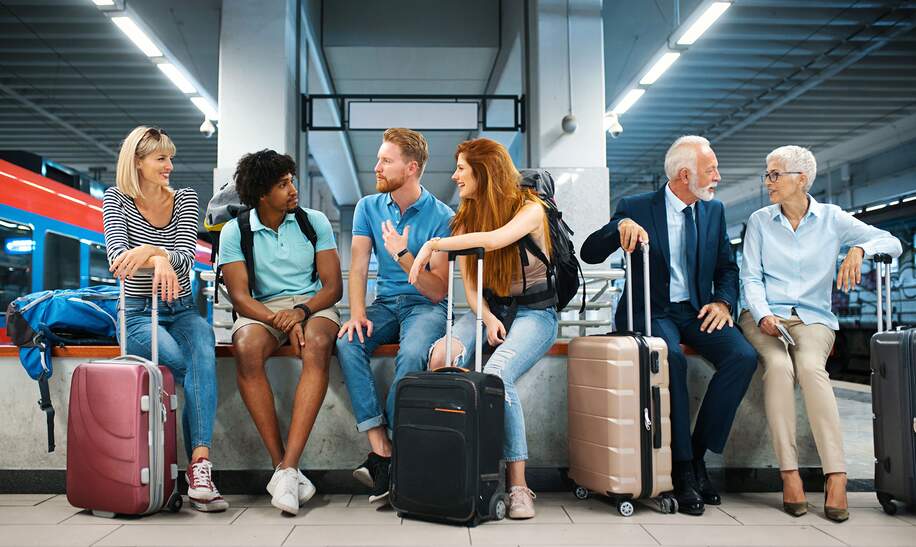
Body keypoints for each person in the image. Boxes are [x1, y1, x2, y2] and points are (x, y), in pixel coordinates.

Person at [580, 135, 758, 516]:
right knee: (670, 360)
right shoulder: (636, 207)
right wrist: (619, 226)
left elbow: (727, 267)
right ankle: (681, 470)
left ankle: (696, 454)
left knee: (742, 356)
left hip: (696, 310)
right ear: (684, 175)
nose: (717, 177)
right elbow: (589, 251)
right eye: (710, 170)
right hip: (651, 310)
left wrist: (724, 301)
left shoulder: (713, 211)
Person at [739, 145, 902, 522]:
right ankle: (789, 474)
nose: (768, 182)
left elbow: (892, 243)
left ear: (802, 179)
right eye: (768, 174)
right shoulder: (760, 221)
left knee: (811, 369)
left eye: (775, 174)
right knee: (778, 368)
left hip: (813, 319)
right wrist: (763, 315)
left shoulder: (833, 219)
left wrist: (859, 248)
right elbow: (750, 277)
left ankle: (837, 475)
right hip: (765, 317)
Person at [409, 137, 559, 520]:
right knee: (442, 355)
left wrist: (435, 245)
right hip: (493, 311)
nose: (455, 175)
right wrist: (488, 317)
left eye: (461, 168)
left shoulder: (532, 209)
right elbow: (472, 288)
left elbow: (494, 241)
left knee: (497, 373)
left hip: (535, 315)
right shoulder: (467, 216)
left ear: (484, 170)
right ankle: (447, 471)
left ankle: (518, 486)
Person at [103, 126, 226, 512]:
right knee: (183, 365)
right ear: (137, 162)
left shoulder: (186, 199)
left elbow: (187, 258)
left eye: (170, 158)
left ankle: (199, 465)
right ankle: (187, 472)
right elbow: (119, 260)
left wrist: (151, 253)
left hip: (182, 310)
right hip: (138, 314)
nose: (169, 166)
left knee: (202, 344)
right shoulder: (116, 201)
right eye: (161, 159)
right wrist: (159, 255)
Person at [219, 150, 343, 515]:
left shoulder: (314, 221)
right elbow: (240, 298)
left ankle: (289, 466)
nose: (293, 189)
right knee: (245, 347)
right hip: (262, 309)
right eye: (283, 184)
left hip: (312, 304)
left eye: (292, 180)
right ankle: (284, 468)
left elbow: (332, 287)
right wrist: (279, 321)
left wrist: (300, 312)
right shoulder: (235, 231)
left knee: (318, 344)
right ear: (261, 194)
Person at [335, 128, 454, 504]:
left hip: (425, 306)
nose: (377, 167)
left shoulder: (443, 217)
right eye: (379, 159)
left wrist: (404, 255)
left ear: (412, 167)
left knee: (413, 354)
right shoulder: (368, 207)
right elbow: (356, 268)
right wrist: (356, 313)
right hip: (384, 304)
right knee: (347, 340)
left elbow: (438, 290)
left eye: (386, 161)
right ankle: (382, 447)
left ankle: (389, 458)